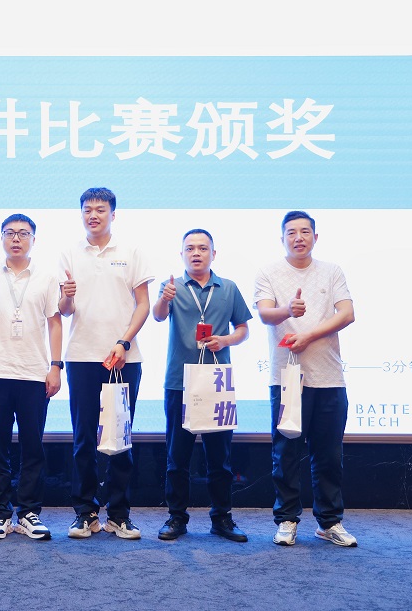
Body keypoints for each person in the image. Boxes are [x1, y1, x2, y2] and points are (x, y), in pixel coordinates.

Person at [254, 211, 356, 547]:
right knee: (286, 453)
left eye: (305, 231)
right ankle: (286, 520)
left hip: (329, 377)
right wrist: (288, 310)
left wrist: (309, 334)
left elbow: (347, 313)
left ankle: (329, 522)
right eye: (291, 232)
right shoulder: (268, 272)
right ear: (282, 238)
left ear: (315, 236)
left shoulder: (332, 271)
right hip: (287, 378)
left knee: (329, 456)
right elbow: (265, 314)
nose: (298, 237)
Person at [59, 187, 152, 539]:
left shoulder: (131, 252)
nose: (93, 215)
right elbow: (64, 310)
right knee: (84, 438)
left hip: (124, 358)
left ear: (113, 214)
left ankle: (119, 515)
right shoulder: (69, 253)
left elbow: (143, 304)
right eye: (87, 209)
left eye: (100, 209)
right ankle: (85, 513)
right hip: (82, 356)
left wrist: (123, 341)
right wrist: (66, 298)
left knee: (120, 437)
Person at [0, 214, 63, 541]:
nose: (16, 238)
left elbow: (55, 322)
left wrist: (56, 366)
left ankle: (29, 513)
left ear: (34, 238)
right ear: (2, 237)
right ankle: (1, 514)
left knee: (33, 448)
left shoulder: (47, 277)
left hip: (34, 373)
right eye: (10, 233)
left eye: (23, 233)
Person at [152, 229, 251, 542]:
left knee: (219, 458)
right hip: (179, 381)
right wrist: (164, 300)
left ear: (213, 254)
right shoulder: (172, 286)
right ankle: (176, 518)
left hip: (216, 382)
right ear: (182, 254)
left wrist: (226, 340)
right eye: (190, 248)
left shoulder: (228, 288)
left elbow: (243, 329)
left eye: (203, 248)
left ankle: (222, 518)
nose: (196, 253)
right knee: (177, 456)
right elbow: (157, 317)